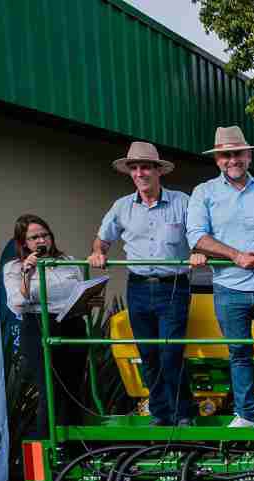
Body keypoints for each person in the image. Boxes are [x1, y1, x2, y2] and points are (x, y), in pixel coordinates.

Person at [90, 141, 202, 427]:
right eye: (135, 168)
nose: (140, 173)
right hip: (138, 287)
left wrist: (198, 251)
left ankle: (184, 413)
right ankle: (160, 413)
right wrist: (99, 252)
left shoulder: (182, 202)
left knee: (170, 352)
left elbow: (199, 235)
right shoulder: (122, 206)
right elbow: (102, 239)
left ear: (158, 171)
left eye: (146, 167)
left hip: (173, 285)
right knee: (148, 354)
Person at [186, 126, 254, 427]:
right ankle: (245, 414)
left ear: (248, 156)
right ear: (217, 159)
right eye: (226, 155)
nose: (233, 160)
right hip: (229, 286)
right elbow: (197, 236)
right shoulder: (204, 192)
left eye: (238, 154)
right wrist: (235, 255)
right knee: (239, 352)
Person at [1, 214, 88, 440]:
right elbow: (16, 304)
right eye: (34, 237)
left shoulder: (67, 260)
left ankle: (77, 448)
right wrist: (27, 273)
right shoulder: (14, 267)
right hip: (39, 326)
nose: (41, 241)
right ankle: (49, 447)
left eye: (45, 235)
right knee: (51, 391)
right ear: (24, 242)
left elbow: (80, 290)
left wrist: (90, 299)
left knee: (75, 388)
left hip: (72, 323)